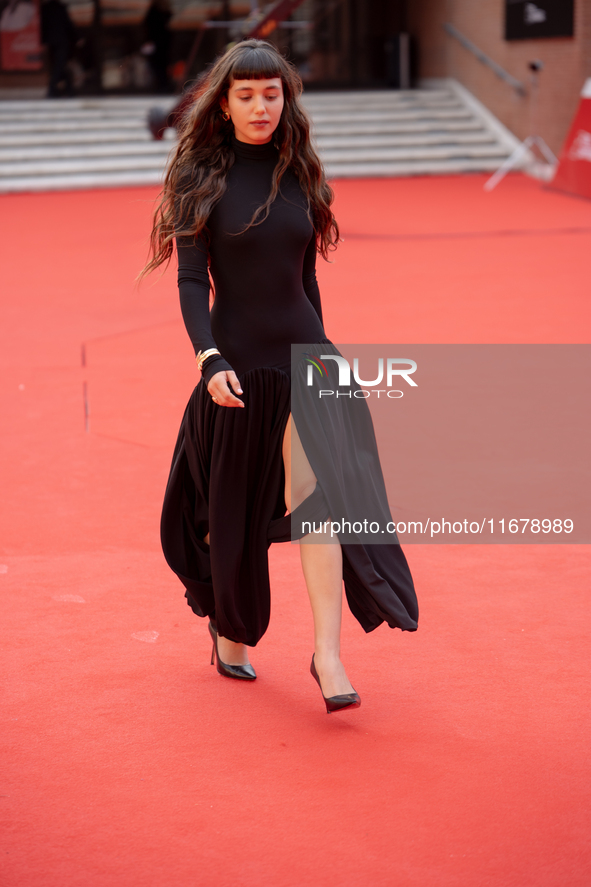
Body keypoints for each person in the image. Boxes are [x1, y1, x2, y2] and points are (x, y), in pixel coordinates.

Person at [143, 39, 418, 714]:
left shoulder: (300, 172)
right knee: (226, 513)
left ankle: (327, 654)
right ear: (225, 102)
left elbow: (305, 280)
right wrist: (208, 358)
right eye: (247, 94)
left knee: (316, 494)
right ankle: (229, 627)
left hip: (310, 362)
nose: (262, 106)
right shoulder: (198, 176)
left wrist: (326, 357)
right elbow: (189, 281)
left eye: (272, 94)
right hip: (236, 366)